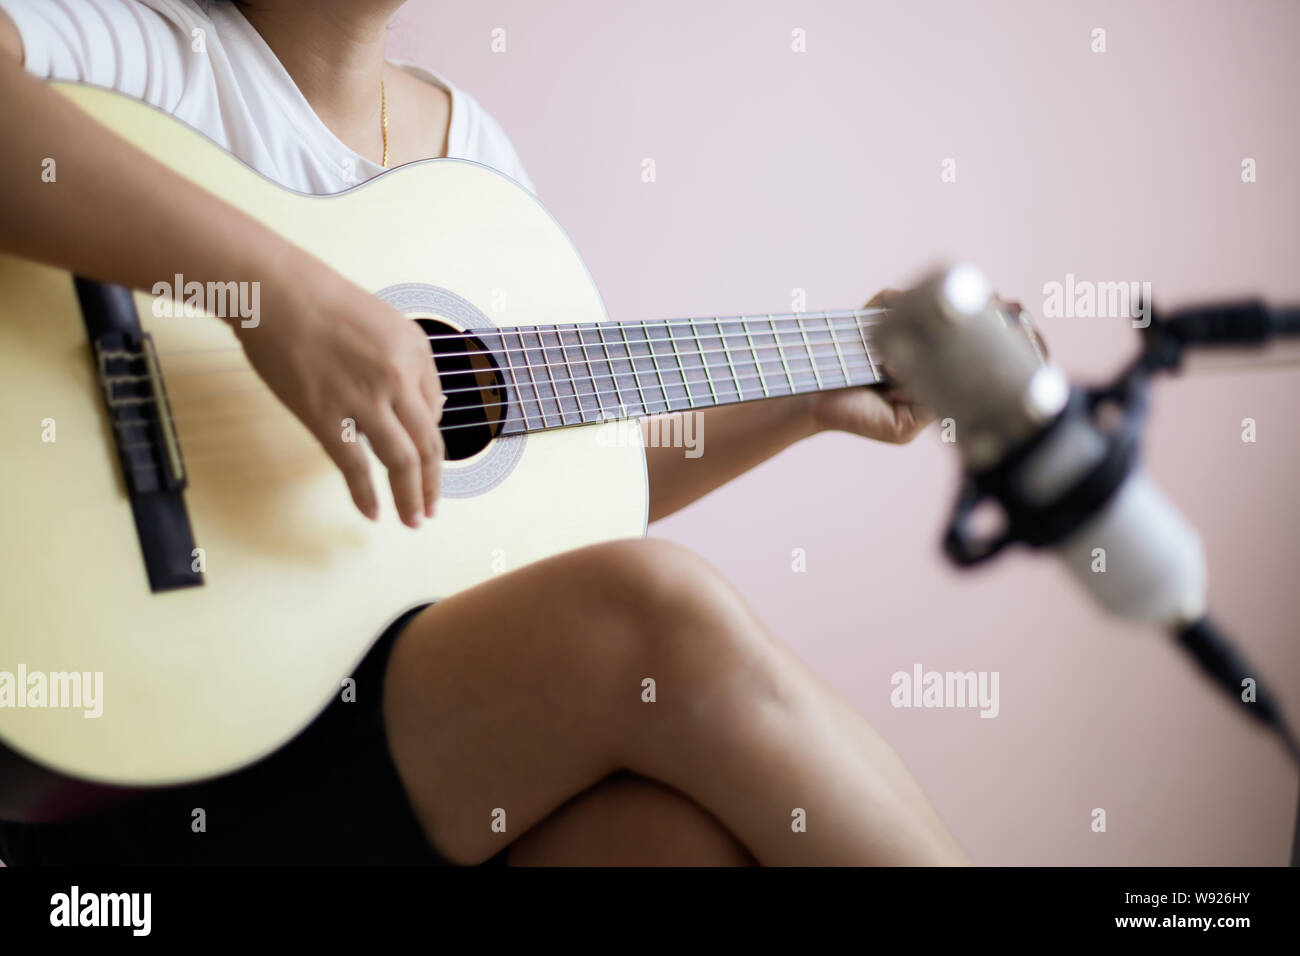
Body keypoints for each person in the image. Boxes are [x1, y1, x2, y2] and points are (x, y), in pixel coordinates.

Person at [0, 0, 967, 866]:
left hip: (387, 712)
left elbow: (551, 493)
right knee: (656, 606)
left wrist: (810, 398)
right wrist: (276, 299)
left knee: (671, 843)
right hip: (164, 731)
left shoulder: (473, 162)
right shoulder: (141, 47)